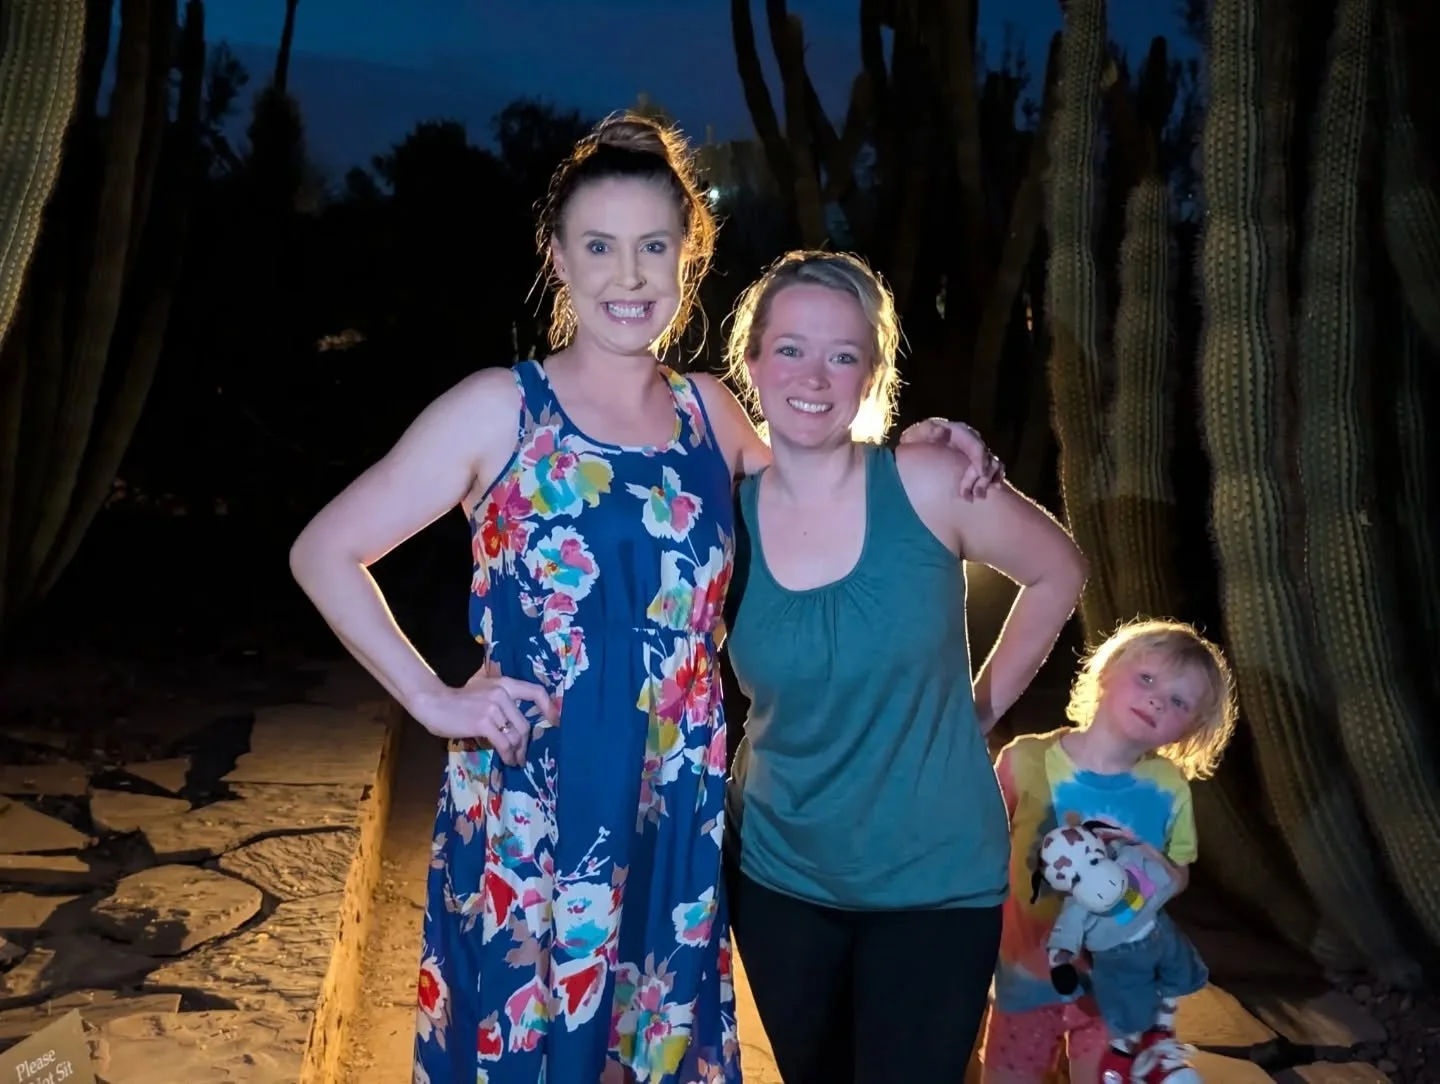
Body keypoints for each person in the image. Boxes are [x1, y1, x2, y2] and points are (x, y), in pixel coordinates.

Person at [288, 114, 1002, 1084]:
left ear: (688, 256)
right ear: (558, 257)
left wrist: (931, 446)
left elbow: (828, 482)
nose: (628, 276)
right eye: (599, 246)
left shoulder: (711, 411)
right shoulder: (501, 407)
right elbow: (326, 549)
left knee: (646, 1056)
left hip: (676, 794)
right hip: (537, 796)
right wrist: (433, 698)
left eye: (653, 247)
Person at [718, 249, 1090, 1084]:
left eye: (843, 354)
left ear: (871, 373)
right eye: (790, 348)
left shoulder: (924, 482)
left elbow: (1058, 569)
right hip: (779, 878)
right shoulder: (721, 512)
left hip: (933, 882)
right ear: (752, 362)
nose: (814, 374)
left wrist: (980, 707)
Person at [980, 617, 1239, 1084]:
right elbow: (983, 850)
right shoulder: (1023, 761)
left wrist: (1153, 879)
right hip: (1027, 968)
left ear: (1187, 731)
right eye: (1147, 678)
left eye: (1179, 701)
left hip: (1118, 984)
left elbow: (1177, 872)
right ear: (1105, 673)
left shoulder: (1168, 787)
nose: (1158, 698)